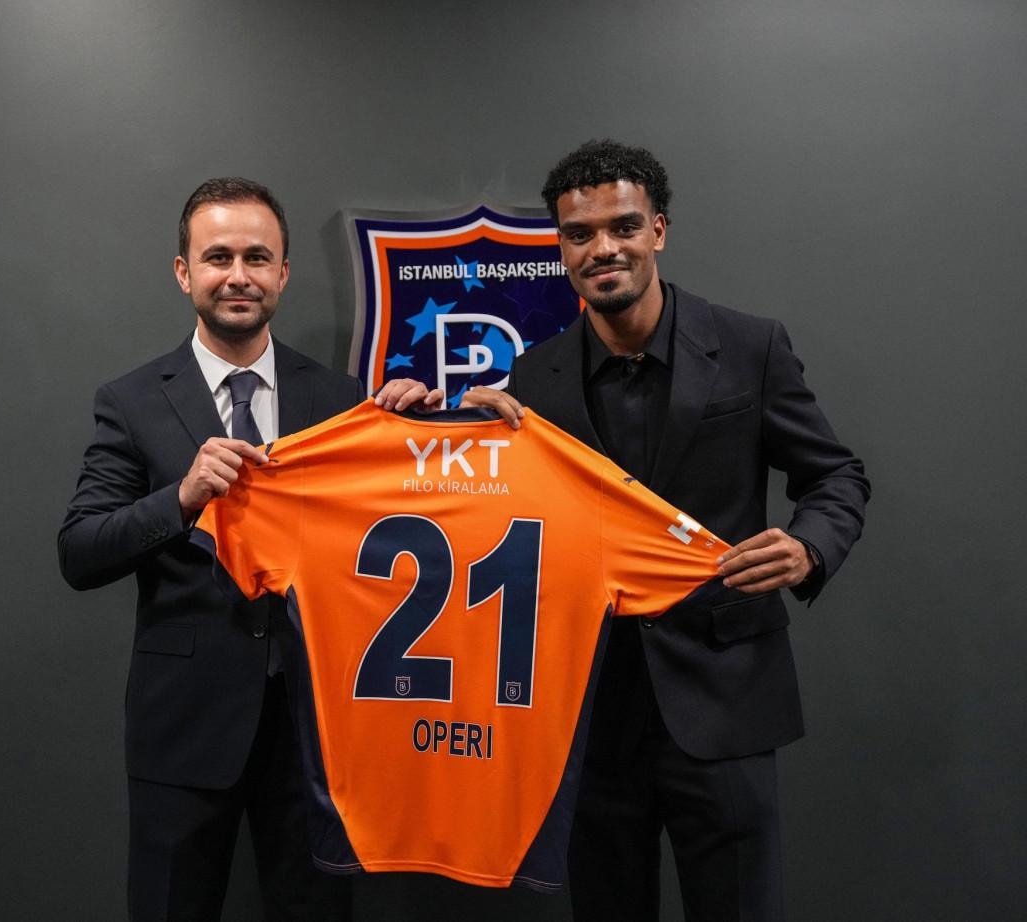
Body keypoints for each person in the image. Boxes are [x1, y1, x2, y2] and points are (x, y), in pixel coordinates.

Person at [462, 141, 869, 921]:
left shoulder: (750, 347)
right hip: (587, 713)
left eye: (623, 227)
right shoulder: (533, 378)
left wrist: (808, 546)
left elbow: (837, 476)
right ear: (561, 246)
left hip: (725, 698)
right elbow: (504, 524)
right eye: (579, 234)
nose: (602, 249)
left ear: (658, 231)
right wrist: (443, 431)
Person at [58, 177, 435, 921]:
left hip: (316, 730)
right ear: (184, 272)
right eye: (218, 257)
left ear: (283, 273)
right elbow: (81, 550)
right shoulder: (132, 401)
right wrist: (182, 497)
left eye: (257, 258)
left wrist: (428, 434)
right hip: (182, 726)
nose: (239, 275)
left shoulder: (342, 400)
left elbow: (400, 533)